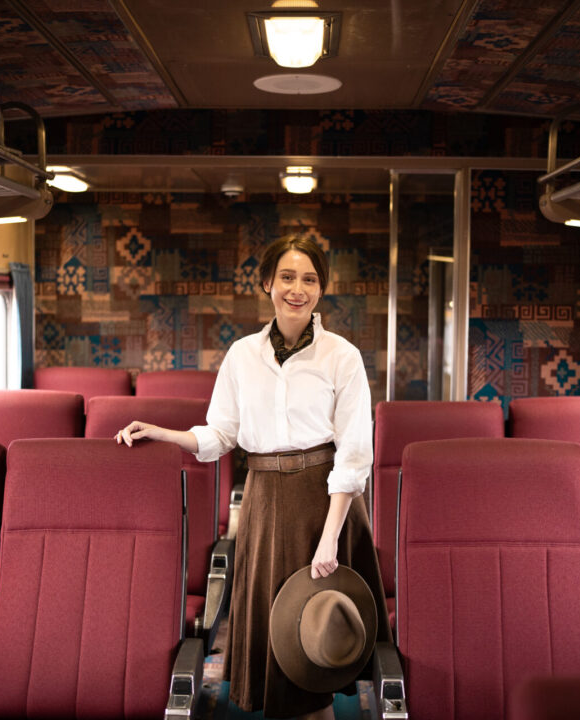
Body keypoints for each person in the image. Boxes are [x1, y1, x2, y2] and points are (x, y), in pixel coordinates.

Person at [116, 235, 390, 720]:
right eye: (287, 277)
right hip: (264, 500)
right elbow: (221, 434)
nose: (297, 289)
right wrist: (163, 432)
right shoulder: (243, 355)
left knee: (318, 645)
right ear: (267, 283)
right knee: (280, 645)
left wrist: (329, 541)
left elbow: (353, 454)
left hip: (325, 502)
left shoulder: (342, 356)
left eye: (309, 279)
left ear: (321, 290)